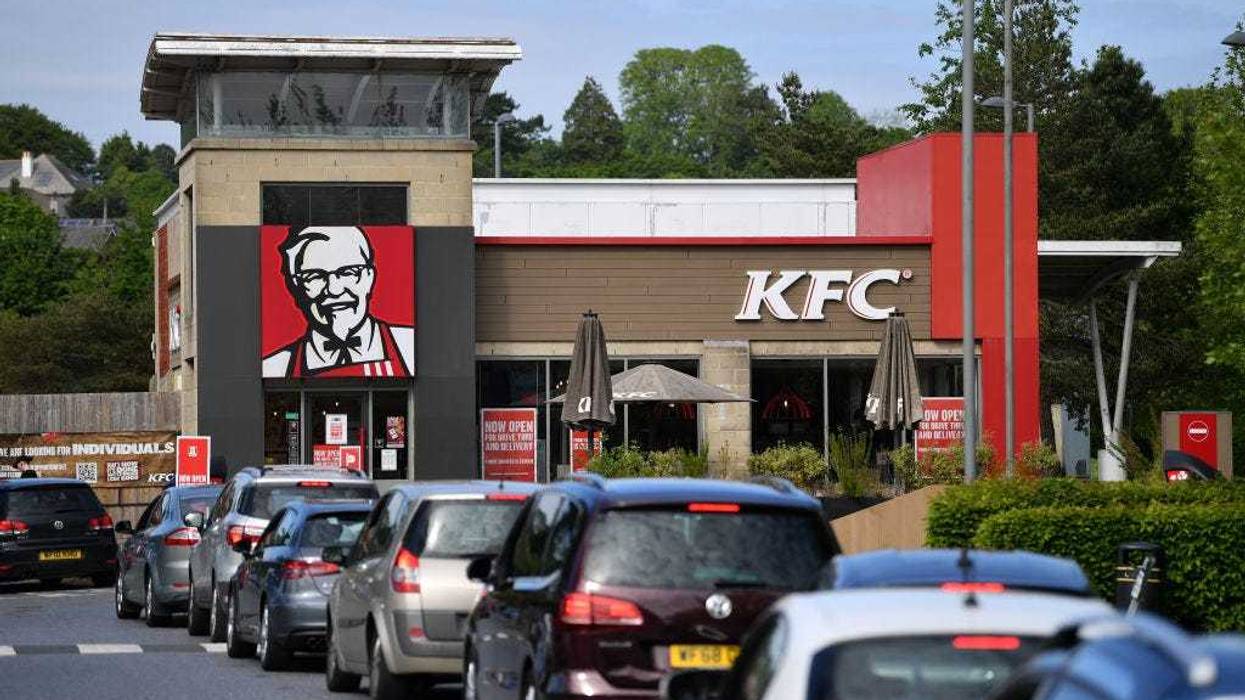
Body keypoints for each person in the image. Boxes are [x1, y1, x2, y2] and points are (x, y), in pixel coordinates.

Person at [262, 226, 414, 378]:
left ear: (369, 277)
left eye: (348, 272)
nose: (334, 290)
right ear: (295, 286)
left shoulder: (410, 346)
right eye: (314, 276)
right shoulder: (276, 366)